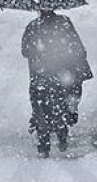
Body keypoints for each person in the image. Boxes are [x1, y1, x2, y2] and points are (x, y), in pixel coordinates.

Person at [21, 9, 92, 157]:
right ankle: (62, 134)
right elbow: (77, 46)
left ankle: (44, 143)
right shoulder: (64, 23)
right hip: (62, 74)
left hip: (40, 75)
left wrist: (39, 52)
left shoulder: (33, 26)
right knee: (60, 105)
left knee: (40, 107)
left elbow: (25, 51)